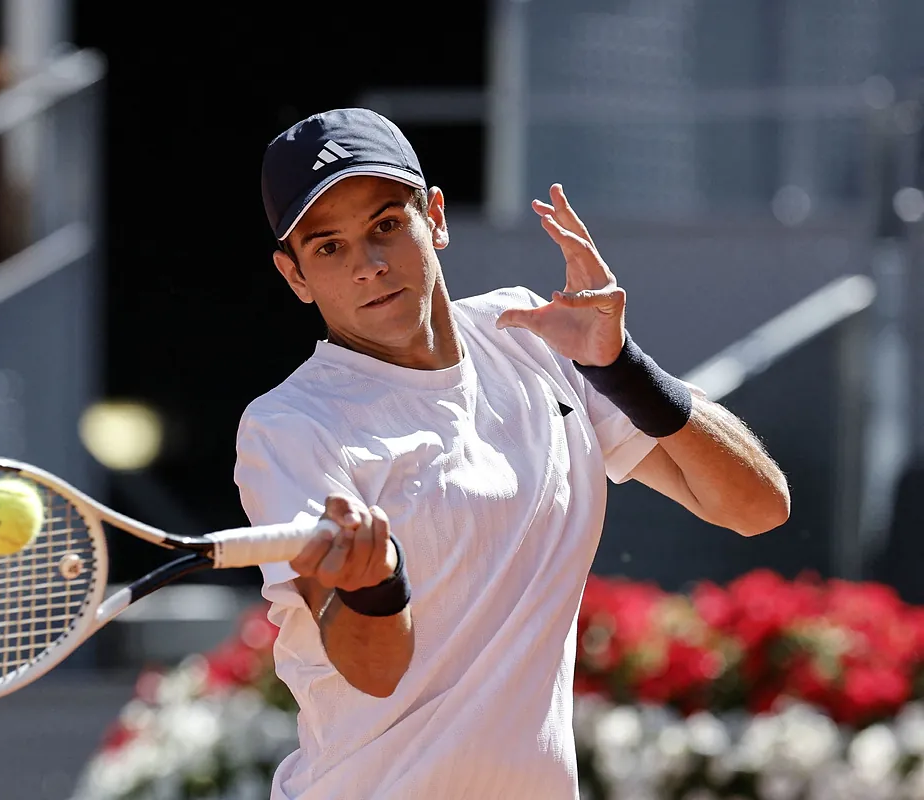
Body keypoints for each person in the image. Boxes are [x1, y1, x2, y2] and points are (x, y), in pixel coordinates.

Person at [233, 108, 790, 800]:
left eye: (385, 225)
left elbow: (756, 505)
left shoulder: (532, 336)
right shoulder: (288, 428)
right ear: (294, 275)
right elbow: (372, 671)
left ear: (433, 216)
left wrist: (621, 365)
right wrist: (374, 586)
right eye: (329, 249)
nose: (369, 267)